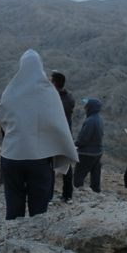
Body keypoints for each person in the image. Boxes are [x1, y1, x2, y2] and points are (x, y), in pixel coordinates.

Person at [0, 50, 78, 220]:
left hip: (12, 156)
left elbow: (3, 119)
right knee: (39, 212)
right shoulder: (49, 93)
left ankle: (11, 241)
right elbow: (57, 122)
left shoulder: (10, 91)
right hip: (39, 159)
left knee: (13, 207)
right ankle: (34, 243)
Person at [50, 70, 76, 201]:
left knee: (49, 164)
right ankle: (67, 195)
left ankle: (48, 194)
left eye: (51, 80)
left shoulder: (54, 98)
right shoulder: (69, 97)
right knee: (66, 165)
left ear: (54, 83)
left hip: (55, 136)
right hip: (66, 135)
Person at [73, 98, 104, 193]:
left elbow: (83, 139)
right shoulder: (99, 118)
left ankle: (78, 193)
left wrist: (73, 144)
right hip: (97, 152)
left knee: (78, 176)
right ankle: (96, 192)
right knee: (95, 175)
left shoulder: (90, 120)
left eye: (86, 106)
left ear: (90, 108)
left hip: (87, 153)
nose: (84, 107)